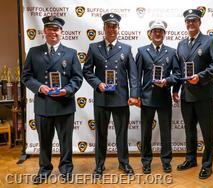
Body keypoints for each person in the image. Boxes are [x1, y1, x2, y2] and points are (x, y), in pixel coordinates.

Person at [21, 16, 83, 184]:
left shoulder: (71, 53)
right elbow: (26, 76)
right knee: (44, 142)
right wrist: (40, 87)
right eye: (49, 29)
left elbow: (77, 78)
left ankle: (66, 169)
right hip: (43, 105)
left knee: (66, 142)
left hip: (64, 105)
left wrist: (66, 90)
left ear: (61, 32)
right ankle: (44, 169)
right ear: (44, 31)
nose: (53, 32)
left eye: (56, 29)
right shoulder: (34, 52)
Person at [83, 13, 139, 177]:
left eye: (114, 26)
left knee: (122, 134)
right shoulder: (94, 47)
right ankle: (99, 165)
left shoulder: (126, 48)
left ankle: (124, 163)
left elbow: (133, 75)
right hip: (102, 98)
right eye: (109, 26)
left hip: (121, 98)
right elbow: (86, 71)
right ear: (104, 28)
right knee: (100, 134)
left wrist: (134, 95)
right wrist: (98, 84)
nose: (111, 29)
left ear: (118, 29)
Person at [172, 9, 213, 179]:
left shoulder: (209, 41)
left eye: (194, 21)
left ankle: (207, 164)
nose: (190, 24)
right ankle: (191, 159)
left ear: (199, 23)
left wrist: (200, 77)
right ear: (185, 24)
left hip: (203, 95)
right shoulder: (181, 44)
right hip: (187, 95)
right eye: (188, 21)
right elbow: (179, 71)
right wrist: (175, 90)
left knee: (207, 132)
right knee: (189, 130)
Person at [136, 20, 180, 174]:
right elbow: (136, 76)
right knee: (146, 132)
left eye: (160, 31)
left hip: (163, 97)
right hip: (147, 98)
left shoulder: (171, 52)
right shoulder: (142, 51)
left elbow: (178, 74)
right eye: (155, 31)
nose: (158, 33)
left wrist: (167, 81)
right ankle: (146, 161)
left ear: (164, 34)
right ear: (150, 33)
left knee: (165, 132)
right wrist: (136, 96)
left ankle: (166, 161)